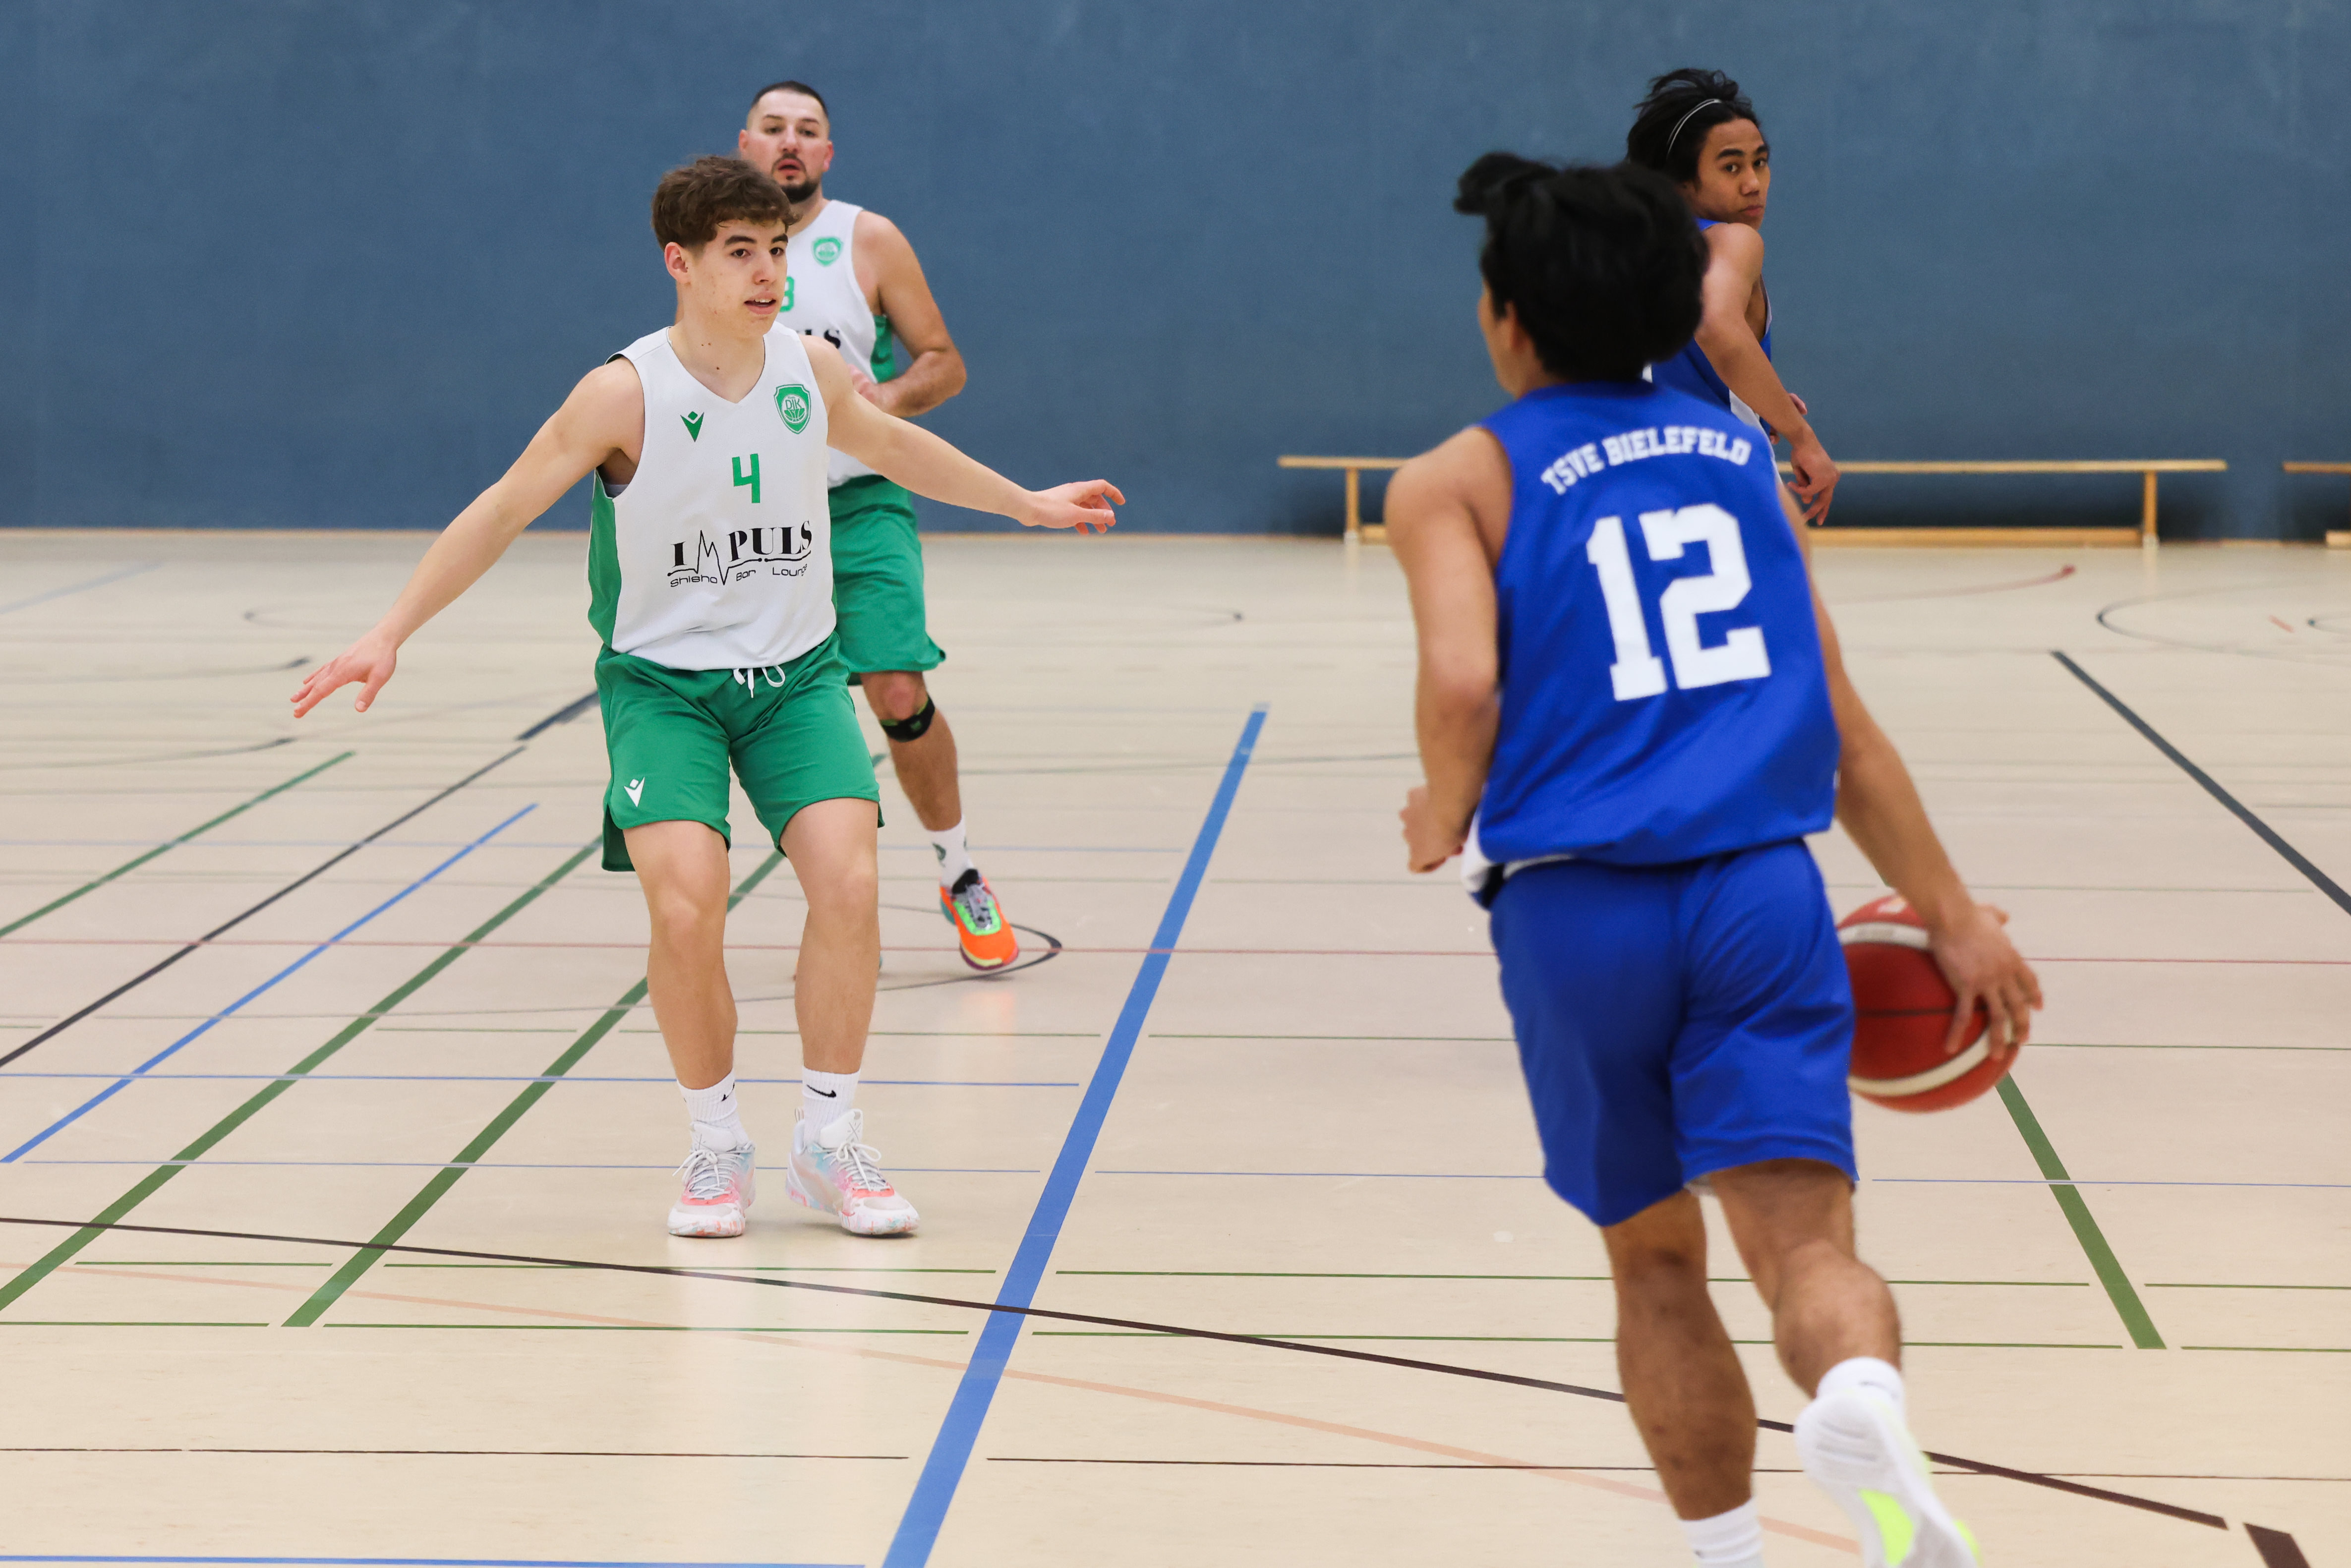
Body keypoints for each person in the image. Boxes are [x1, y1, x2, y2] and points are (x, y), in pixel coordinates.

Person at [1389, 155, 2040, 1568]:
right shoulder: (1741, 459)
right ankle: (1858, 1394)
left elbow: (1461, 682)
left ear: (1504, 317)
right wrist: (1951, 917)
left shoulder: (1454, 478)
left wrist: (1443, 806)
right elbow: (1844, 729)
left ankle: (1727, 1551)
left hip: (1573, 906)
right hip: (1757, 890)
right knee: (1806, 1248)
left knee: (1653, 1260)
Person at [292, 158, 1118, 1240]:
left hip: (797, 679)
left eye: (776, 250)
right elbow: (502, 508)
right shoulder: (622, 393)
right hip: (662, 687)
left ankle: (827, 1138)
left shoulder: (810, 368)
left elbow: (895, 446)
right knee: (686, 906)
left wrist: (1024, 504)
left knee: (850, 885)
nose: (769, 272)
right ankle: (716, 1142)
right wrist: (389, 631)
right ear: (679, 263)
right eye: (741, 252)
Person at [738, 79, 1013, 970]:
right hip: (753, 514)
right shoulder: (720, 247)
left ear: (827, 153)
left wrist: (882, 401)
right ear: (746, 145)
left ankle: (959, 869)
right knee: (740, 703)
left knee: (896, 688)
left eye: (807, 130)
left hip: (860, 503)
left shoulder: (868, 238)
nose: (790, 141)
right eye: (774, 128)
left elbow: (945, 361)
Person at [1627, 68, 1839, 524]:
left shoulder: (1635, 253)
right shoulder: (1734, 241)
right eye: (1731, 167)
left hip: (1631, 477)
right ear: (1682, 183)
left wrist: (1761, 397)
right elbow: (1716, 326)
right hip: (1721, 475)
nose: (1753, 183)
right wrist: (1802, 436)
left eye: (1760, 162)